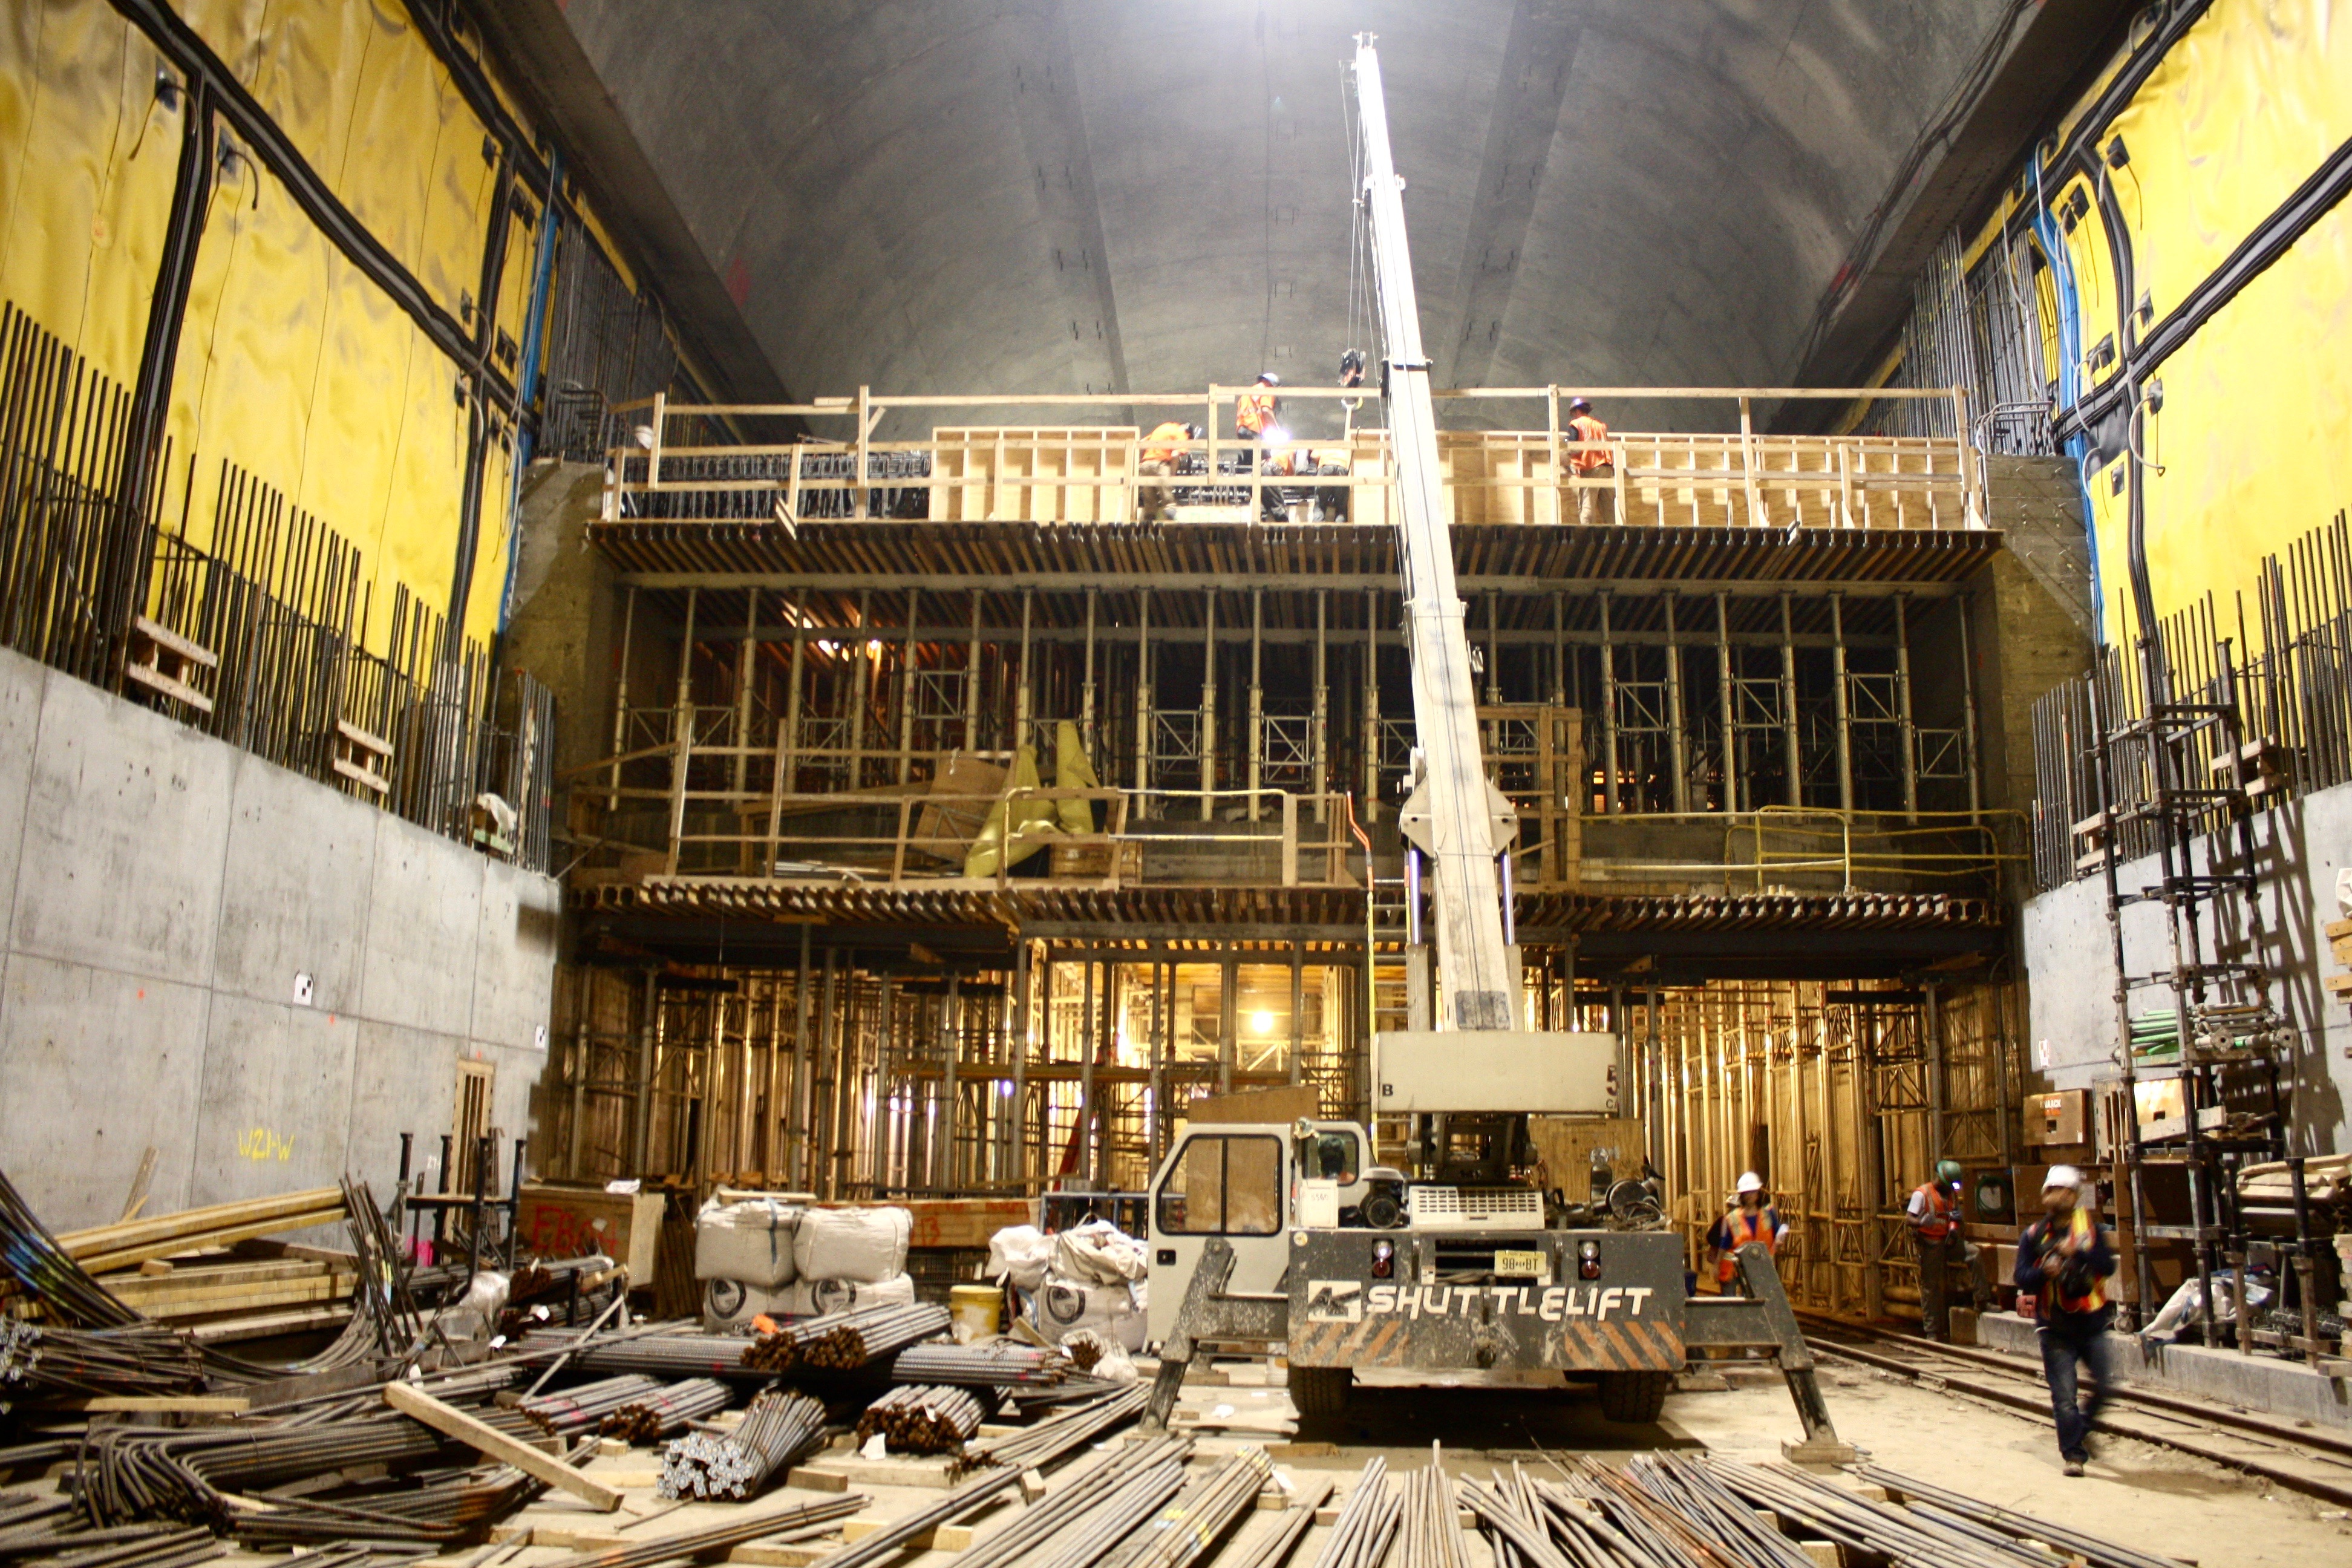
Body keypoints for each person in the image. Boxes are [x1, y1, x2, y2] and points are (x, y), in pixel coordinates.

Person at [2015, 1165, 2118, 1476]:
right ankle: (2074, 1456)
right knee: (2064, 1399)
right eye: (2050, 1190)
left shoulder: (2090, 1229)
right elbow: (2022, 1276)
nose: (2054, 1195)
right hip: (2055, 1325)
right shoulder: (2034, 1236)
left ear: (2072, 1195)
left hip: (2091, 1323)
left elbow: (2107, 1267)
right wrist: (2042, 1273)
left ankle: (2082, 1430)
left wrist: (2080, 1253)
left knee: (2105, 1386)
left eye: (2060, 1190)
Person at [1907, 1158, 1967, 1341]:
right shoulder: (1922, 1194)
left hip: (1947, 1241)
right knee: (1931, 1286)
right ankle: (1932, 1330)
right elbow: (1909, 1219)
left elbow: (1953, 1217)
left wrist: (1955, 1229)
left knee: (1975, 1254)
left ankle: (1982, 1301)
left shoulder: (1951, 1194)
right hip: (1930, 1244)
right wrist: (1920, 1222)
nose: (1951, 1189)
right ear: (1940, 1179)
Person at [1705, 1171, 1787, 1293]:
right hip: (1733, 1269)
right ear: (1741, 1196)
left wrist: (1780, 1239)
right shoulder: (1732, 1218)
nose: (1750, 1196)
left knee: (1755, 1304)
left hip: (1759, 1267)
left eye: (1753, 1192)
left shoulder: (1768, 1215)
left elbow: (1777, 1237)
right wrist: (1717, 1265)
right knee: (1731, 1307)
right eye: (1747, 1193)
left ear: (1758, 1194)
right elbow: (1724, 1243)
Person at [1138, 421, 1201, 520]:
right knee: (1167, 497)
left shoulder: (1164, 427)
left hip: (1145, 465)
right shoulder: (1182, 434)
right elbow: (1175, 454)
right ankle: (1170, 513)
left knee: (1149, 498)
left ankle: (1149, 519)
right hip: (1160, 465)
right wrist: (1172, 473)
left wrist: (1140, 463)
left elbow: (1141, 443)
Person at [1566, 396, 1613, 524]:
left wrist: (1565, 455)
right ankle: (1617, 535)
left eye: (1573, 414)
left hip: (1592, 466)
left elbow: (1573, 447)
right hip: (1607, 468)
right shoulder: (1600, 426)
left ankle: (1586, 534)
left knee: (1587, 505)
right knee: (1608, 507)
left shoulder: (1576, 424)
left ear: (1577, 411)